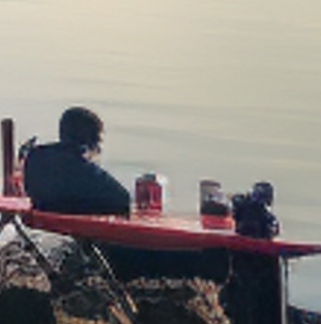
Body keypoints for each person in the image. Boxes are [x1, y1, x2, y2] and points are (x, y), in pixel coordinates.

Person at [19, 104, 230, 288]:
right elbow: (120, 200)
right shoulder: (80, 168)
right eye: (98, 142)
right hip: (109, 255)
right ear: (89, 141)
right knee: (205, 259)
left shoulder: (36, 159)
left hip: (75, 241)